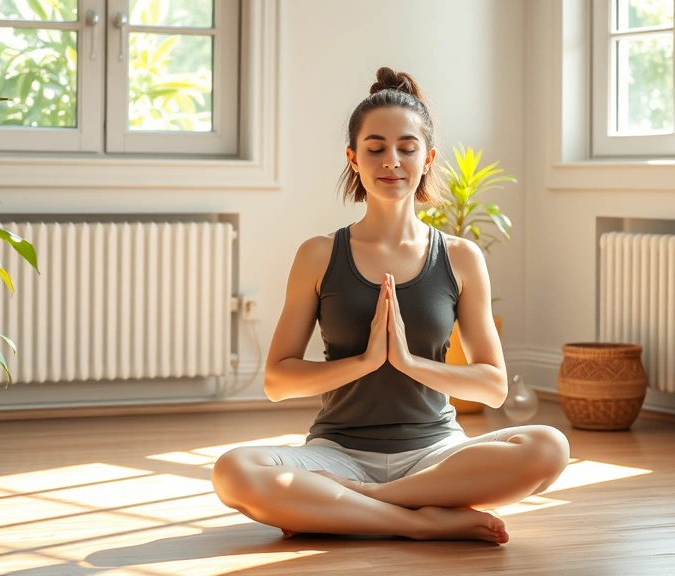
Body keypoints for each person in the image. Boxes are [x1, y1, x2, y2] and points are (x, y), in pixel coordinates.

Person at [212, 67, 570, 544]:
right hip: (337, 452)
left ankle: (354, 504)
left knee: (549, 446)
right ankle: (418, 520)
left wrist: (406, 362)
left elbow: (494, 386)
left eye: (407, 147)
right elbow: (278, 380)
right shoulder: (318, 254)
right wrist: (365, 363)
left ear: (428, 159)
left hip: (435, 454)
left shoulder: (461, 257)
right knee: (232, 471)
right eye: (375, 148)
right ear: (353, 158)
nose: (392, 161)